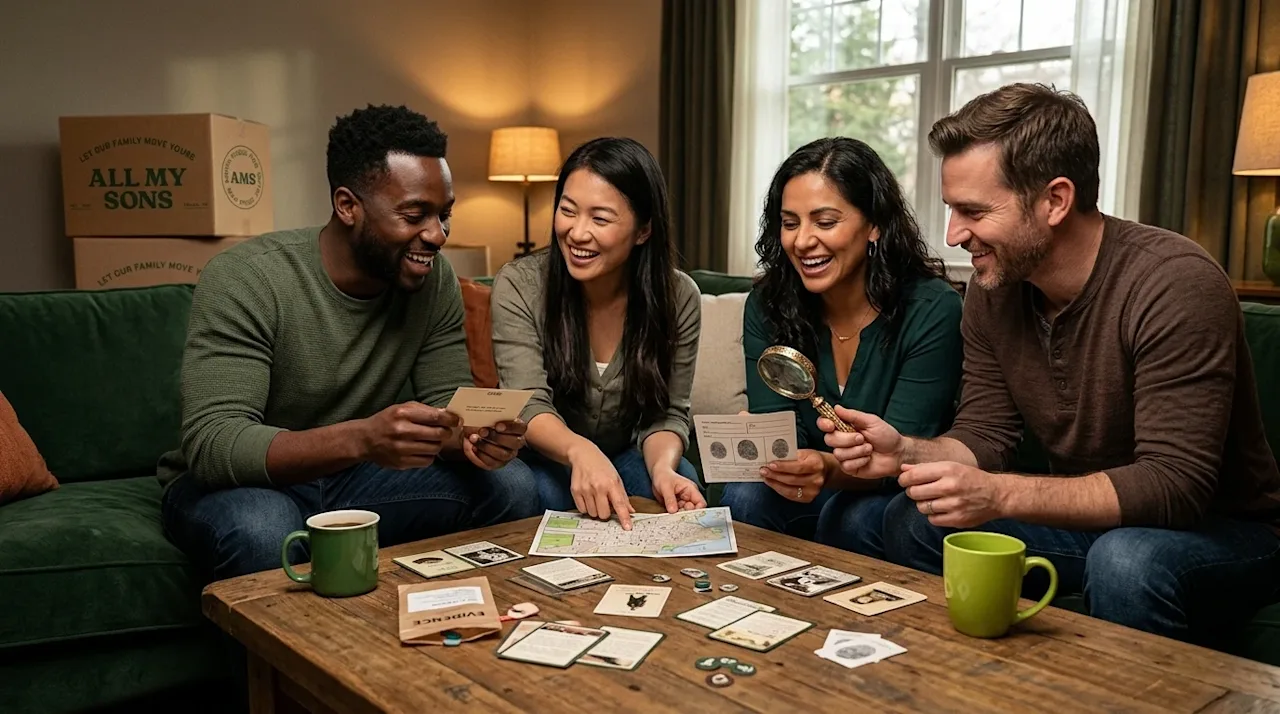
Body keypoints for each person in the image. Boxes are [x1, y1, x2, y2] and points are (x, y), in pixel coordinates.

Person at [823, 83, 1280, 646]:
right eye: (951, 209)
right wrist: (906, 452)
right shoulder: (996, 287)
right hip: (1090, 521)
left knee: (1126, 560)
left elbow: (1174, 486)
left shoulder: (1174, 283)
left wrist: (1000, 495)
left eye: (973, 211)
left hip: (1221, 531)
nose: (953, 235)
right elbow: (986, 434)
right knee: (903, 518)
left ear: (1055, 201)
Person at [158, 104, 541, 581]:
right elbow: (215, 445)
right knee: (262, 529)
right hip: (251, 484)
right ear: (347, 206)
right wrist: (363, 438)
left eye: (444, 215)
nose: (437, 235)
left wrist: (473, 437)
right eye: (414, 215)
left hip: (361, 479)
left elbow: (448, 403)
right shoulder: (248, 277)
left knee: (512, 485)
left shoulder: (434, 279)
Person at [720, 137, 963, 556]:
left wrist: (828, 469)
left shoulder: (932, 308)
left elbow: (902, 453)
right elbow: (777, 429)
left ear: (874, 225)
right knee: (743, 493)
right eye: (790, 222)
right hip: (806, 487)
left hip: (892, 492)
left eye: (825, 222)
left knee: (853, 516)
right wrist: (765, 447)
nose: (802, 241)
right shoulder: (768, 303)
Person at [490, 137, 706, 529]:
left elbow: (667, 414)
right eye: (567, 211)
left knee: (681, 488)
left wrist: (662, 468)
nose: (577, 233)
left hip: (629, 455)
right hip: (548, 460)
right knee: (529, 493)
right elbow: (527, 404)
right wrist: (580, 452)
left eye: (600, 219)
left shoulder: (679, 297)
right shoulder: (520, 285)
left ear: (643, 231)